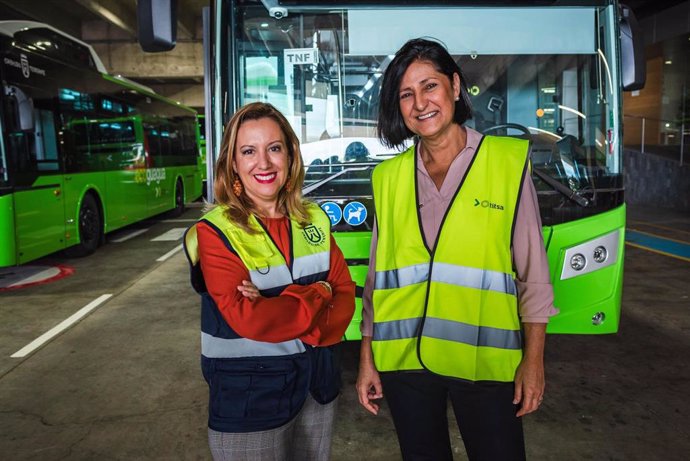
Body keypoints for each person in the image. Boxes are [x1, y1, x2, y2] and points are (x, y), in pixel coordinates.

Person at [355, 38, 558, 460]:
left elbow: (533, 271)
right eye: (406, 94)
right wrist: (367, 359)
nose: (420, 103)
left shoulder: (504, 162)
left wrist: (534, 360)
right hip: (404, 361)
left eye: (429, 86)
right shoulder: (387, 177)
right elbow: (377, 279)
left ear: (455, 86)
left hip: (483, 359)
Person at [183, 102, 355, 460]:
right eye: (249, 151)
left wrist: (280, 301)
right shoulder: (215, 231)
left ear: (290, 156)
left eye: (274, 148)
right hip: (250, 401)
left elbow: (345, 303)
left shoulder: (314, 220)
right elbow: (251, 320)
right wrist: (318, 293)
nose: (263, 163)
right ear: (233, 163)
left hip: (317, 389)